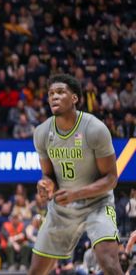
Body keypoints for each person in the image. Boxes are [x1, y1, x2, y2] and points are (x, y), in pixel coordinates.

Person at [28, 74, 123, 275]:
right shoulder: (42, 133)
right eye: (51, 93)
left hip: (97, 202)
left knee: (109, 263)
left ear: (75, 98)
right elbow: (48, 175)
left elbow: (111, 179)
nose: (54, 97)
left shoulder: (95, 128)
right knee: (35, 271)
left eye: (61, 92)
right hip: (63, 206)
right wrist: (45, 185)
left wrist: (76, 194)